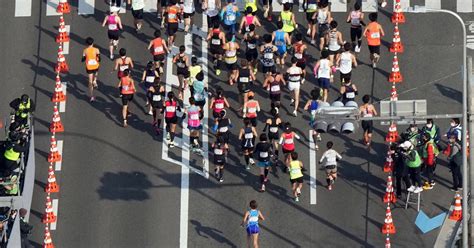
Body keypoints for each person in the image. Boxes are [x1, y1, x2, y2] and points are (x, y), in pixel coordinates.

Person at [82, 37, 100, 102]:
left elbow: (83, 59)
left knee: (90, 81)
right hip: (95, 65)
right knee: (96, 73)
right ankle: (95, 80)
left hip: (89, 67)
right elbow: (99, 58)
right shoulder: (96, 50)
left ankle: (92, 96)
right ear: (93, 43)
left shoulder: (85, 50)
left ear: (87, 44)